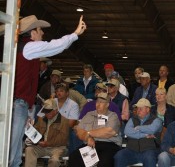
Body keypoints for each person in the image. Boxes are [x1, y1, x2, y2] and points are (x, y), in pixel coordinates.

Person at [10, 15, 86, 167]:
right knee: (13, 146)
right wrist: (75, 34)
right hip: (19, 102)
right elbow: (53, 46)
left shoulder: (24, 48)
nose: (42, 33)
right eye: (40, 30)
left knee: (15, 143)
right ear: (32, 32)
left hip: (20, 102)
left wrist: (30, 110)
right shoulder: (29, 47)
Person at [69, 93, 122, 167]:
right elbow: (79, 131)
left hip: (109, 145)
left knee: (104, 163)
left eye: (101, 102)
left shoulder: (113, 116)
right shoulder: (88, 115)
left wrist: (88, 133)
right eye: (97, 102)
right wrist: (88, 138)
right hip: (90, 145)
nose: (98, 104)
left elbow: (108, 132)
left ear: (107, 105)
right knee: (74, 158)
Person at [114, 98, 163, 167]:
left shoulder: (157, 120)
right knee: (119, 156)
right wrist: (145, 135)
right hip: (131, 150)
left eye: (141, 109)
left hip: (149, 150)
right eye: (137, 108)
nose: (138, 111)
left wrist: (138, 127)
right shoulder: (132, 119)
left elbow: (152, 129)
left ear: (148, 109)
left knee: (149, 158)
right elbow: (127, 131)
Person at [24, 98, 69, 167]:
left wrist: (48, 143)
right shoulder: (41, 119)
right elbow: (35, 130)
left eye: (49, 111)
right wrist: (30, 133)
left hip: (57, 148)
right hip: (42, 146)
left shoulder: (64, 121)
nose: (47, 113)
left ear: (56, 110)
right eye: (45, 111)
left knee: (55, 160)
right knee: (29, 150)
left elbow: (63, 139)